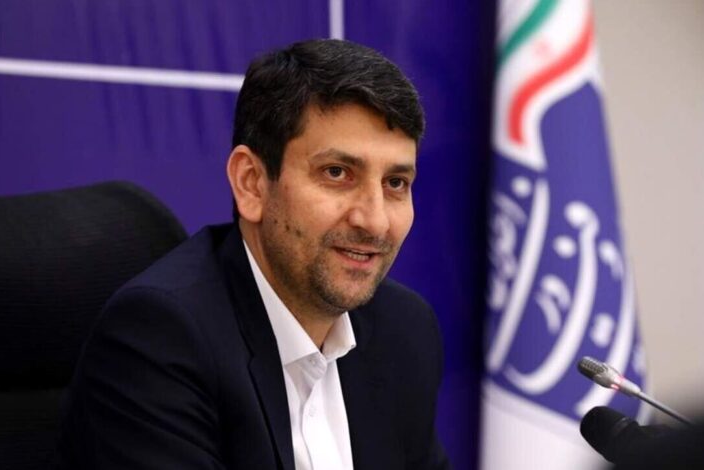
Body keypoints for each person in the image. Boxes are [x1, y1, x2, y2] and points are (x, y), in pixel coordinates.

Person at [59, 38, 450, 469]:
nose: (374, 221)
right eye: (337, 173)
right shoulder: (160, 339)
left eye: (395, 183)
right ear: (252, 183)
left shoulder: (404, 330)